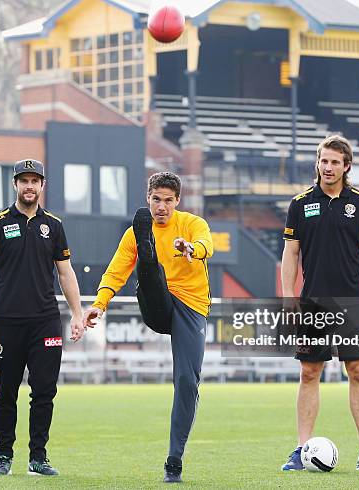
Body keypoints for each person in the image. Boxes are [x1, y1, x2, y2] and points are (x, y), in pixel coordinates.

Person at [82, 172, 213, 483]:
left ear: (178, 201)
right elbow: (115, 272)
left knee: (187, 380)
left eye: (168, 201)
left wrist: (191, 249)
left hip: (192, 307)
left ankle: (174, 459)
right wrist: (99, 305)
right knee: (150, 271)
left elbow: (206, 245)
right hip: (157, 303)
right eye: (156, 200)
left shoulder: (193, 224)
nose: (162, 207)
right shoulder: (133, 233)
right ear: (148, 199)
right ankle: (149, 254)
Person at [0, 158, 85, 477]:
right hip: (7, 323)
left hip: (45, 322)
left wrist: (77, 314)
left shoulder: (55, 226)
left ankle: (38, 458)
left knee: (44, 391)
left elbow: (65, 273)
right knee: (6, 392)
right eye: (24, 180)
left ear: (42, 185)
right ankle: (3, 456)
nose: (29, 186)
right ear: (15, 185)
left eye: (35, 180)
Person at [280, 135, 359, 471]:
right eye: (323, 161)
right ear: (317, 163)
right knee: (309, 372)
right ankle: (300, 450)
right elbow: (291, 253)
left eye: (335, 162)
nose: (328, 167)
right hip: (312, 303)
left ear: (346, 166)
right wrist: (288, 297)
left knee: (358, 372)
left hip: (353, 303)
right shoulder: (299, 204)